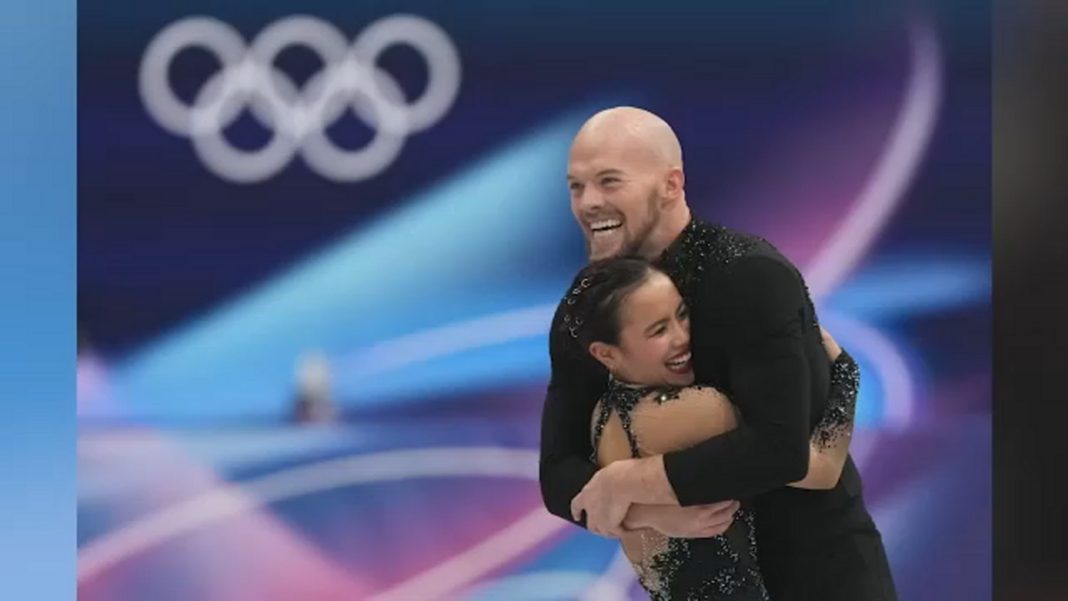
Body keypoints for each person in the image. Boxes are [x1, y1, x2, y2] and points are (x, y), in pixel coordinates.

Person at [539, 107, 897, 599]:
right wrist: (647, 509)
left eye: (609, 181)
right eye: (576, 186)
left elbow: (778, 450)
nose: (588, 202)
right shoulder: (587, 307)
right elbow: (559, 471)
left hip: (821, 577)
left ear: (671, 184)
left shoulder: (751, 276)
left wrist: (628, 481)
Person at [562, 257, 859, 600]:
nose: (683, 337)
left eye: (682, 315)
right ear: (606, 354)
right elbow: (820, 469)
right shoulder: (698, 411)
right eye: (658, 330)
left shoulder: (602, 415)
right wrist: (846, 377)